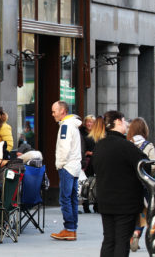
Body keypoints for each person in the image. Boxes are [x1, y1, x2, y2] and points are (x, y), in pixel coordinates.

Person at [92, 111, 147, 257]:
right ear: (117, 122)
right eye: (124, 121)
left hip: (105, 200)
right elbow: (145, 164)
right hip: (125, 202)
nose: (127, 124)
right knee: (122, 241)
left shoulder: (99, 146)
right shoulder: (126, 146)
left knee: (109, 240)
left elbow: (93, 168)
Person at [50, 101, 81, 241]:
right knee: (72, 198)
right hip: (74, 166)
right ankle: (72, 229)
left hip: (67, 167)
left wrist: (60, 164)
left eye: (54, 111)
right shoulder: (72, 125)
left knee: (65, 198)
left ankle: (69, 229)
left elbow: (64, 148)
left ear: (62, 111)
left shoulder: (66, 126)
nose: (53, 114)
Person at [126, 117, 155, 252]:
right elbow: (153, 166)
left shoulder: (126, 144)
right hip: (144, 184)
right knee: (144, 212)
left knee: (131, 211)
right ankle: (137, 232)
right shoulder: (148, 146)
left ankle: (130, 233)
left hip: (128, 184)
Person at [79, 115, 96, 214]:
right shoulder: (81, 133)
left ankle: (96, 205)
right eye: (88, 122)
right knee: (86, 183)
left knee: (96, 183)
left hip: (96, 160)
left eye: (91, 122)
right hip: (86, 162)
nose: (89, 124)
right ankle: (86, 205)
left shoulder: (97, 133)